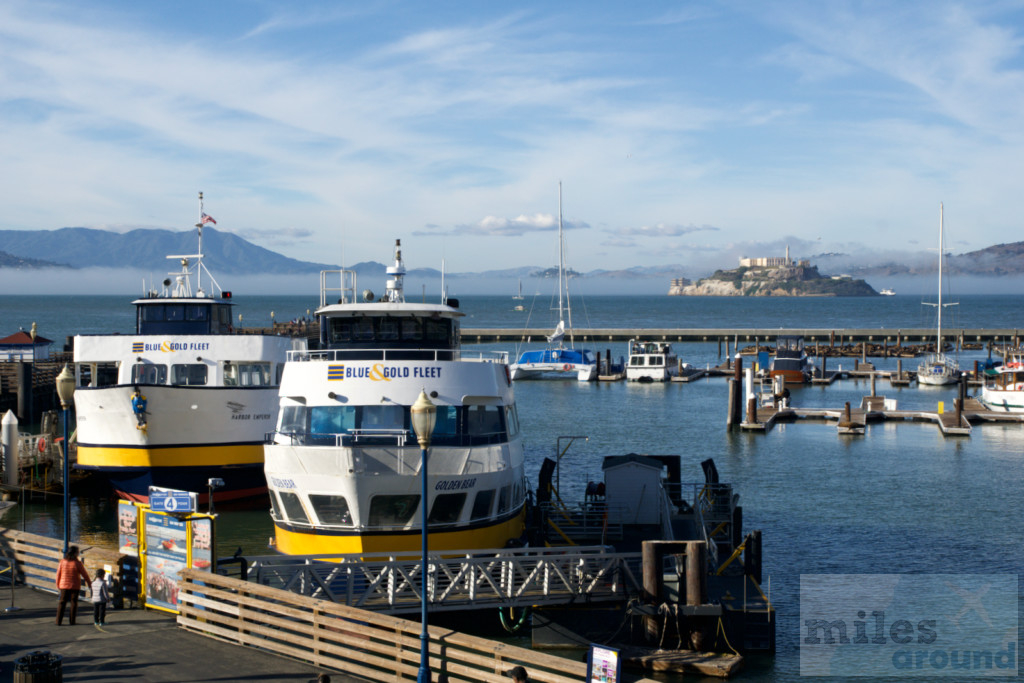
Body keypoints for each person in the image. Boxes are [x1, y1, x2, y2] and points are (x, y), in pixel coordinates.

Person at [55, 545, 91, 625]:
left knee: (62, 602)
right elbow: (85, 574)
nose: (78, 554)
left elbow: (58, 574)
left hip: (63, 585)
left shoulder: (62, 561)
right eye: (78, 552)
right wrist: (89, 583)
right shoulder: (78, 563)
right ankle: (72, 621)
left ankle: (58, 621)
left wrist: (57, 584)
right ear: (75, 553)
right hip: (75, 585)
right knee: (74, 603)